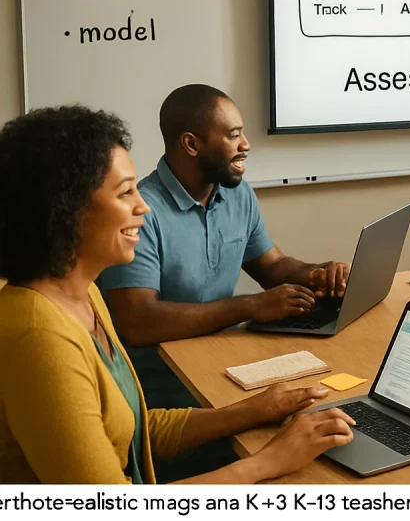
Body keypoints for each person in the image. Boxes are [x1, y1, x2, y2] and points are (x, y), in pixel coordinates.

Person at [0, 106, 355, 484]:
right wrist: (266, 462)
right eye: (125, 193)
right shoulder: (39, 338)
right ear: (65, 212)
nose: (143, 205)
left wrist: (253, 410)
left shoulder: (82, 293)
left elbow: (133, 430)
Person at [95, 84, 352, 479]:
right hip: (166, 393)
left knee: (328, 416)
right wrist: (250, 306)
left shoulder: (236, 195)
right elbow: (139, 322)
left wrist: (318, 273)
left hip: (228, 368)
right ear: (191, 144)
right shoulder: (140, 213)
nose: (246, 145)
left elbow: (274, 265)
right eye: (233, 135)